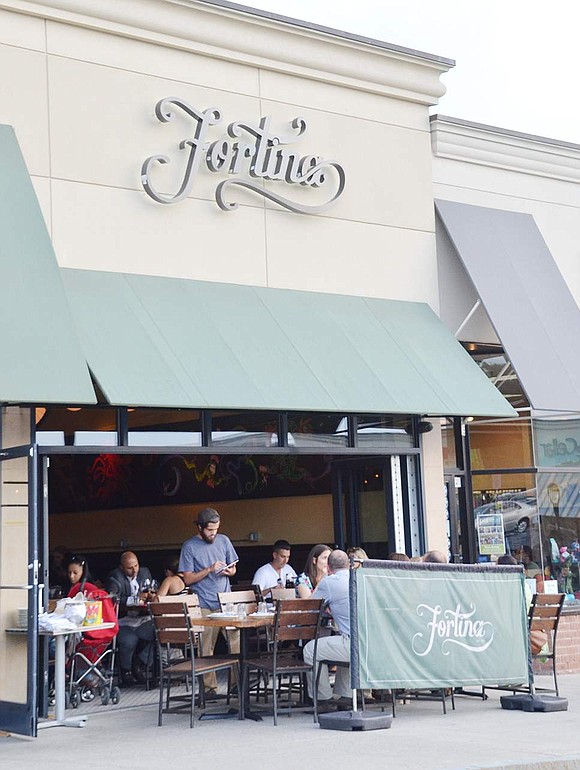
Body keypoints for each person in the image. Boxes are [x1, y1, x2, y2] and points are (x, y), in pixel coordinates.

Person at [178, 507, 239, 694]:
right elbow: (187, 579)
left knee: (236, 643)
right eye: (210, 530)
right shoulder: (189, 546)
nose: (214, 533)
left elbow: (234, 567)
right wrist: (209, 569)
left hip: (226, 601)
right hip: (204, 602)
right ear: (200, 528)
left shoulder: (224, 540)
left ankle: (236, 686)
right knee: (206, 647)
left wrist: (231, 571)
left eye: (216, 529)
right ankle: (209, 689)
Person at [303, 549, 352, 712]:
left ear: (329, 568)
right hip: (373, 644)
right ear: (349, 565)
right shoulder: (361, 578)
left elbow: (310, 608)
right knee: (342, 642)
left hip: (351, 643)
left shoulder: (330, 581)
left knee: (310, 649)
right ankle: (347, 697)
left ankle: (323, 700)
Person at [65, 555, 118, 688]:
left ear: (83, 572)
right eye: (69, 572)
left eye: (75, 573)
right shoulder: (95, 590)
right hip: (103, 635)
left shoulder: (80, 590)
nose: (71, 576)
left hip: (86, 634)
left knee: (54, 646)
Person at [106, 551, 155, 686]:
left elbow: (150, 590)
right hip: (123, 621)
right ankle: (126, 671)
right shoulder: (114, 577)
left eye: (136, 566)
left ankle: (140, 663)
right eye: (129, 568)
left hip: (143, 619)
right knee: (129, 641)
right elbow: (114, 599)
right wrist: (135, 599)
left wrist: (150, 596)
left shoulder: (144, 572)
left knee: (161, 633)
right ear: (121, 568)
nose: (134, 571)